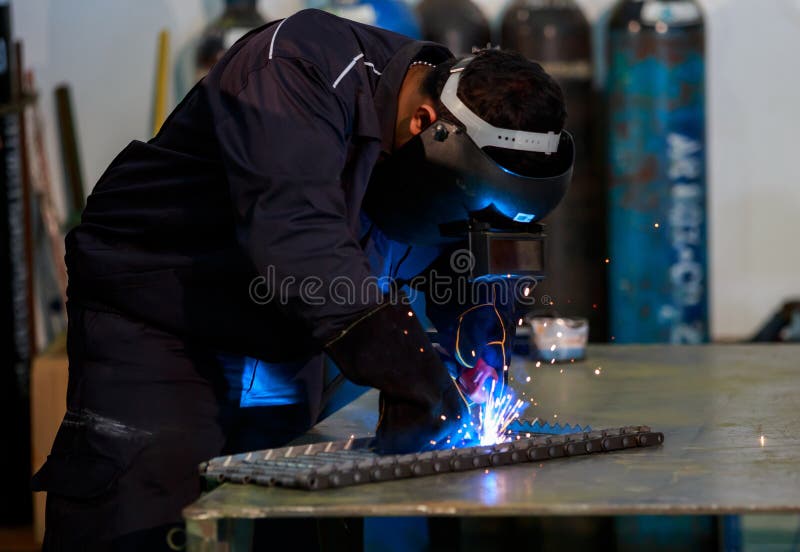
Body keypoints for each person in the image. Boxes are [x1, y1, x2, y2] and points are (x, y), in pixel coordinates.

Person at [31, 8, 571, 550]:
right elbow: (299, 240)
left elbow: (477, 255)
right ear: (424, 123)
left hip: (291, 338)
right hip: (164, 322)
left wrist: (480, 349)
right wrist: (408, 370)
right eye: (471, 202)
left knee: (288, 523)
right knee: (147, 521)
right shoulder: (296, 68)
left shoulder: (452, 158)